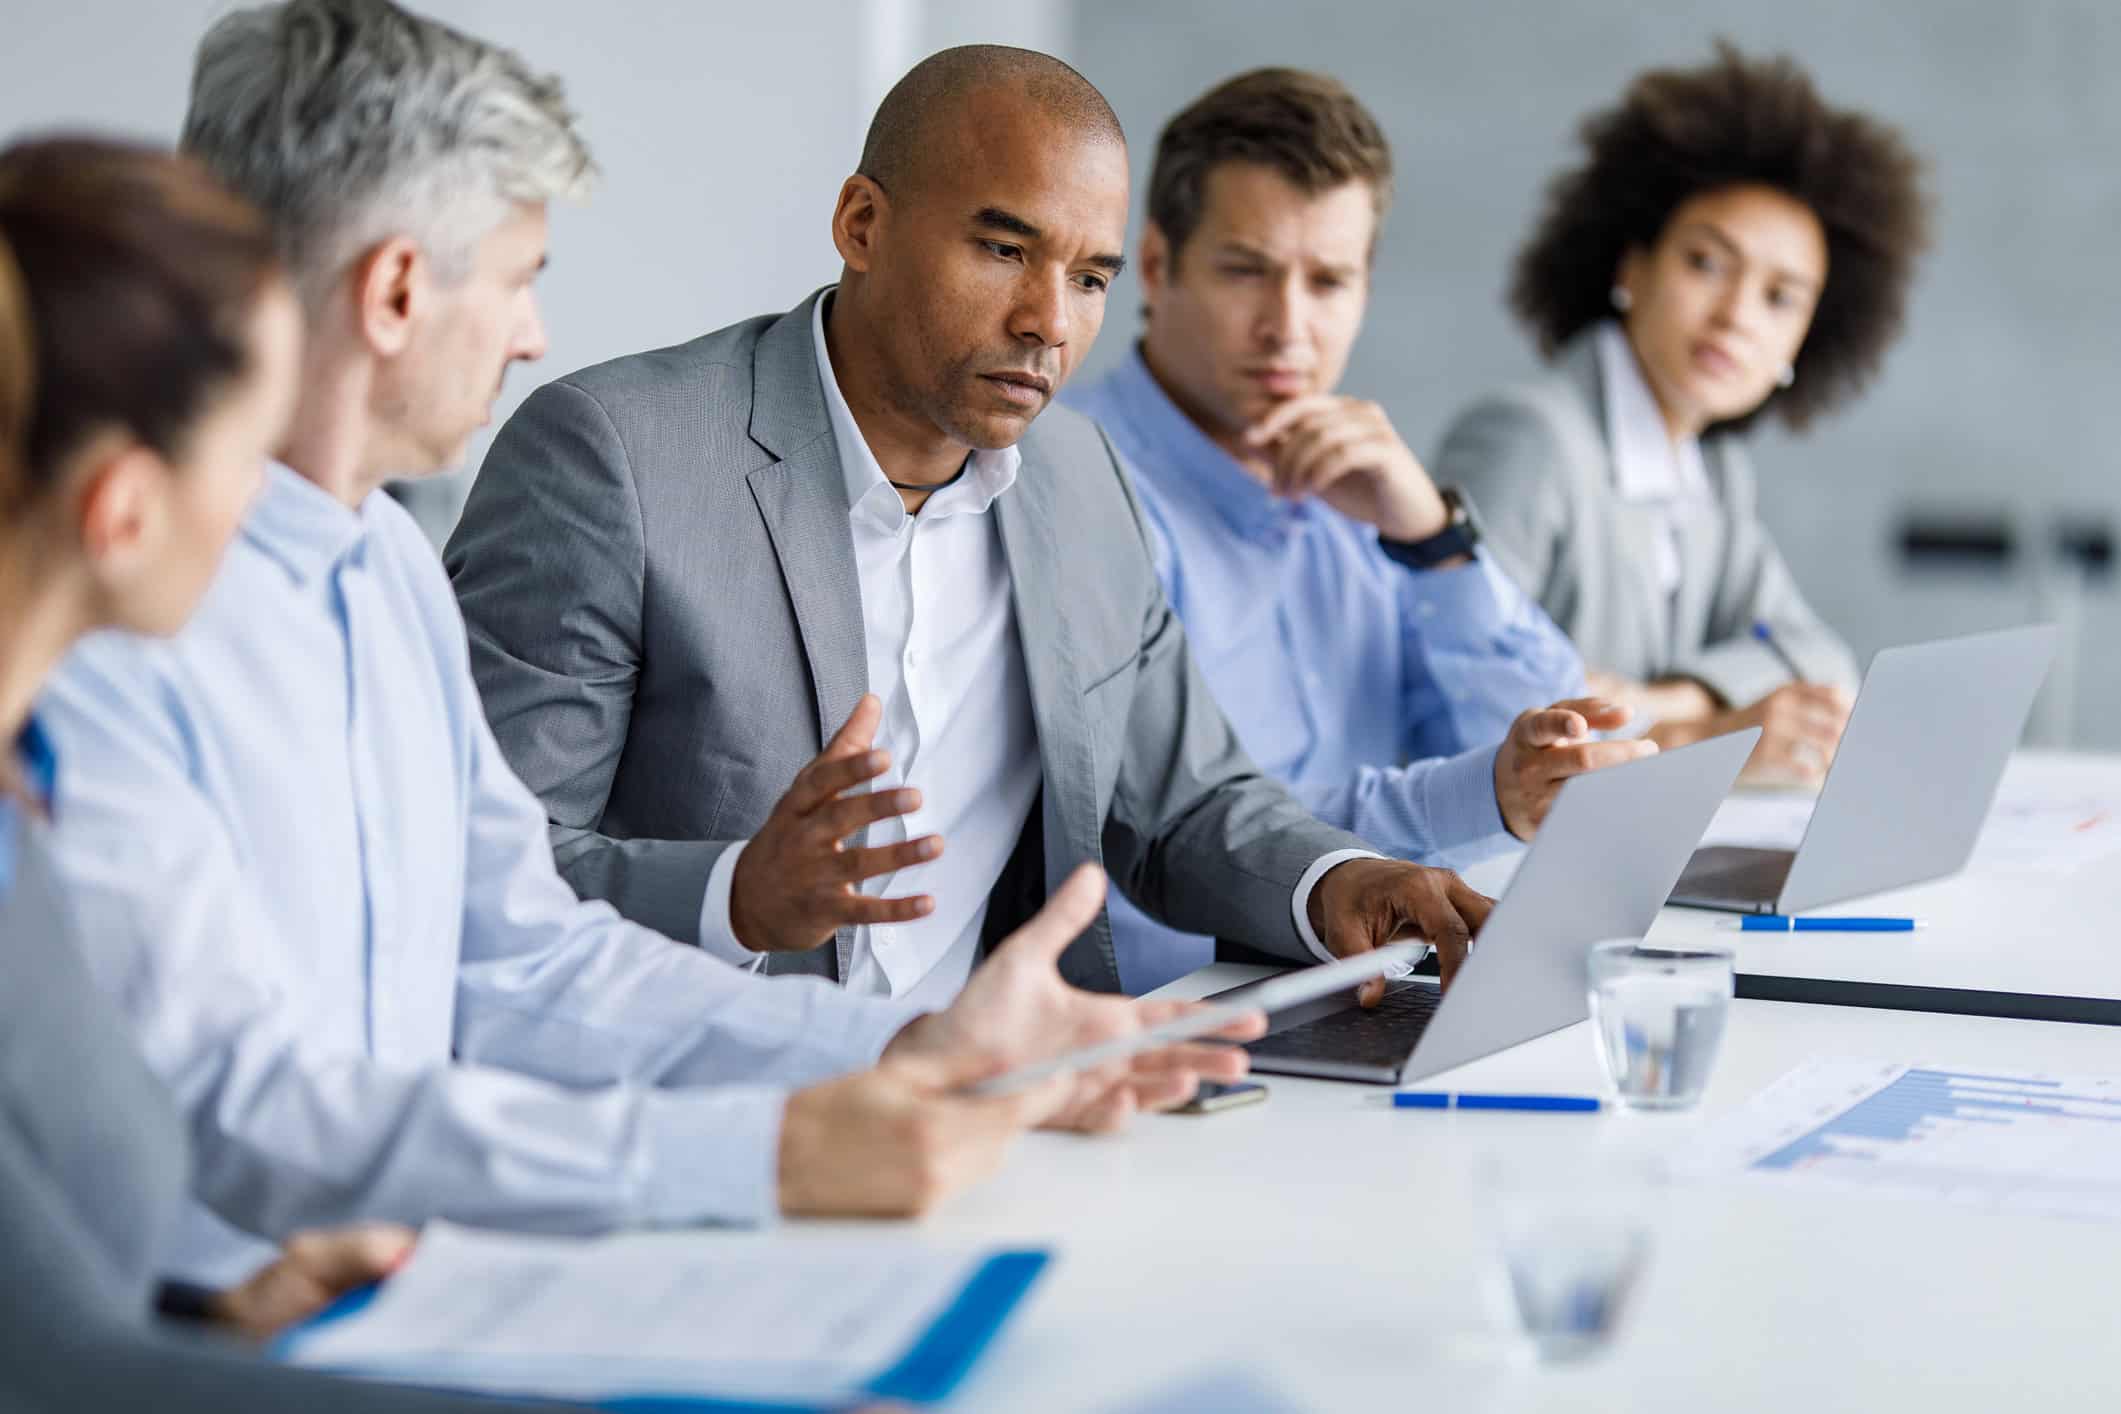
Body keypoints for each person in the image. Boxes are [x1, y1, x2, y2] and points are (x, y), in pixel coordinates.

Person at [35, 0, 1255, 1295]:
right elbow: (242, 1106)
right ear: (398, 290)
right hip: (197, 1332)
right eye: (522, 278)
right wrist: (765, 1152)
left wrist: (918, 1044)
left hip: (404, 1283)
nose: (531, 335)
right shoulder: (113, 626)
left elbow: (527, 959)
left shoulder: (384, 567)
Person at [447, 44, 1499, 1025]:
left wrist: (1341, 883)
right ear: (862, 223)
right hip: (719, 1095)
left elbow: (1181, 805)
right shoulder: (613, 458)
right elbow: (474, 868)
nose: (1049, 319)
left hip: (1016, 1099)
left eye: (1091, 277)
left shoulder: (1080, 480)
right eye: (1004, 248)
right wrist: (736, 897)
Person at [0, 133, 581, 1414]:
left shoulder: (21, 790)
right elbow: (61, 1374)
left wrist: (216, 1302)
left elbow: (40, 1285)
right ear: (123, 511)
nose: (292, 500)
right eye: (253, 446)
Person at [1063, 68, 1653, 989]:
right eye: (1244, 270)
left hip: (1381, 982)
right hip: (1193, 1006)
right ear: (1153, 264)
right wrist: (1482, 796)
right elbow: (1203, 833)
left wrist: (1432, 540)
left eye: (1328, 280)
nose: (1287, 328)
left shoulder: (1359, 487)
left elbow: (1555, 750)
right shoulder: (1074, 485)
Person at [1434, 44, 1930, 785]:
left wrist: (1668, 696)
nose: (1735, 315)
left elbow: (1818, 661)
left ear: (1806, 338)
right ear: (1630, 265)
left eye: (1778, 297)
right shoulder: (1527, 439)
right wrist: (1702, 734)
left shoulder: (1712, 472)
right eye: (1706, 263)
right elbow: (1458, 714)